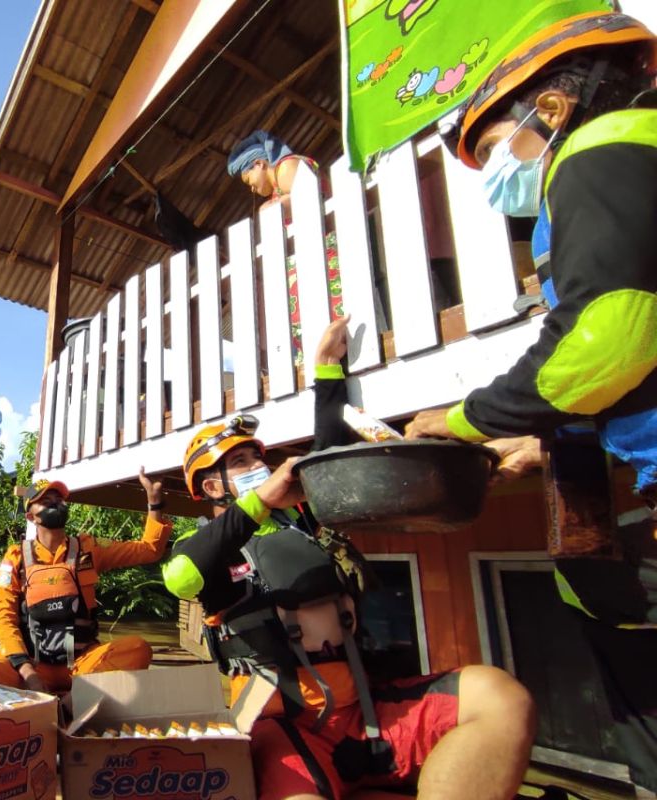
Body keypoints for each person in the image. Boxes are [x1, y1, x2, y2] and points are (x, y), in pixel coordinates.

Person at [406, 11, 657, 791]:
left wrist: (463, 416)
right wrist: (545, 443)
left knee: (623, 645)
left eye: (493, 150)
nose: (495, 174)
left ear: (548, 110)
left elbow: (611, 340)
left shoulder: (599, 150)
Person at [163, 318, 535, 800]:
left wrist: (326, 370)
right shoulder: (211, 549)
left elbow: (330, 447)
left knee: (500, 696)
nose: (259, 467)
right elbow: (180, 577)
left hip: (364, 711)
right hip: (287, 728)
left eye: (258, 458)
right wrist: (258, 503)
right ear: (213, 488)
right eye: (241, 463)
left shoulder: (305, 522)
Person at [0, 476, 172, 692]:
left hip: (81, 665)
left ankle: (76, 698)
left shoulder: (89, 548)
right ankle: (74, 696)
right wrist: (27, 672)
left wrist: (154, 503)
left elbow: (149, 550)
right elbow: (5, 619)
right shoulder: (16, 557)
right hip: (32, 666)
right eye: (45, 500)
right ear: (30, 517)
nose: (55, 503)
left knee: (138, 649)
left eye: (58, 499)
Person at [228, 130, 344, 367]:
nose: (251, 189)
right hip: (311, 257)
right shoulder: (277, 184)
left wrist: (269, 208)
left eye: (249, 180)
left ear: (259, 164)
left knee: (330, 311)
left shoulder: (286, 167)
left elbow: (306, 196)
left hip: (325, 253)